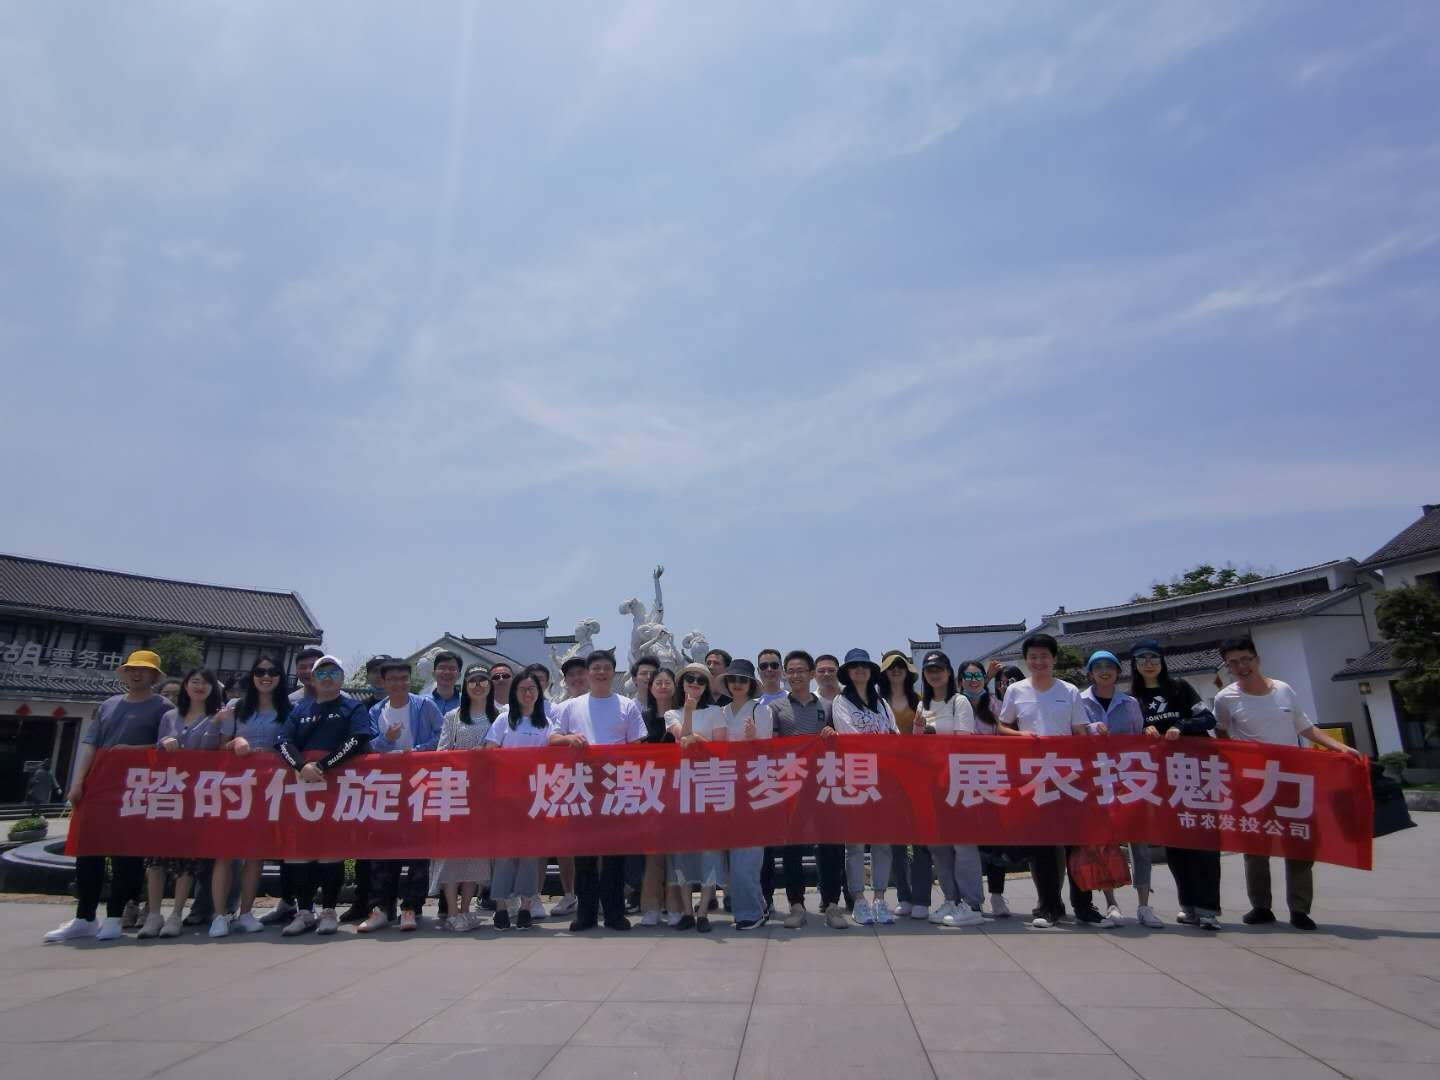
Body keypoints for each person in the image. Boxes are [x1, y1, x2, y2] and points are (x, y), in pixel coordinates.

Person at [1214, 636, 1364, 931]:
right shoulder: (1225, 699)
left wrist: (1340, 748)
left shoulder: (1283, 690)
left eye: (1246, 659)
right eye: (1234, 662)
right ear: (1227, 667)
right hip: (1253, 783)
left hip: (1292, 778)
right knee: (1256, 847)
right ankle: (1261, 906)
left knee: (1299, 843)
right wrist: (1235, 760)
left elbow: (1305, 727)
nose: (1242, 666)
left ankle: (1300, 908)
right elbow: (1221, 733)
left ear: (1257, 659)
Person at [46, 650, 172, 943]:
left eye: (143, 670)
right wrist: (78, 782)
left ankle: (115, 916)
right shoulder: (108, 705)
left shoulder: (163, 707)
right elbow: (91, 744)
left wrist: (132, 750)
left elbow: (166, 747)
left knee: (126, 853)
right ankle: (85, 917)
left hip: (134, 787)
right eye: (132, 669)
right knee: (88, 851)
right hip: (100, 784)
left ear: (154, 676)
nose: (136, 674)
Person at [998, 633, 1096, 928]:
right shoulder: (1015, 690)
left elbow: (1080, 731)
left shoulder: (1069, 691)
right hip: (1034, 776)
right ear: (1026, 660)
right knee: (1042, 846)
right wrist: (1020, 735)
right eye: (1033, 657)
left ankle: (1084, 906)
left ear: (1054, 659)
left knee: (1076, 844)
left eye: (1044, 656)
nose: (1038, 661)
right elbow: (1002, 727)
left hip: (1068, 775)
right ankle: (1048, 906)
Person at [276, 655, 373, 937]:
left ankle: (329, 910)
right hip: (301, 789)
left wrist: (322, 765)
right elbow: (283, 741)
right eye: (321, 673)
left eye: (333, 673)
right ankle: (305, 911)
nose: (327, 678)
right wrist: (301, 767)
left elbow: (357, 739)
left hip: (336, 788)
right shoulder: (300, 710)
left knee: (331, 852)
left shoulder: (352, 707)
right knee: (299, 852)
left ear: (342, 678)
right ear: (313, 679)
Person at [1128, 639, 1221, 931]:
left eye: (1153, 658)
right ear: (1134, 665)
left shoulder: (1180, 688)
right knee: (1176, 843)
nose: (1148, 663)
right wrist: (1143, 729)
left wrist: (1181, 726)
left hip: (1197, 774)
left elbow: (1207, 718)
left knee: (1204, 840)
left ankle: (1208, 908)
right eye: (1142, 659)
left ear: (1162, 661)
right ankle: (1189, 905)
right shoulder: (1133, 699)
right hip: (1163, 779)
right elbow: (1129, 735)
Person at [549, 649, 645, 931]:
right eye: (596, 668)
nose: (601, 672)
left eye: (606, 668)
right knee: (584, 855)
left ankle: (614, 914)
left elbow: (637, 745)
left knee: (614, 855)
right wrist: (568, 739)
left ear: (613, 673)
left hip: (615, 786)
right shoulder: (570, 706)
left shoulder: (627, 705)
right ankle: (586, 915)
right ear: (588, 673)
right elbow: (552, 738)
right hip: (582, 786)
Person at [134, 668, 224, 938]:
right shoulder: (169, 717)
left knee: (186, 857)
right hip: (167, 789)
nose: (199, 686)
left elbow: (212, 751)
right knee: (156, 856)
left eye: (205, 683)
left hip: (195, 793)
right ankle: (153, 914)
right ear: (186, 685)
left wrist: (214, 725)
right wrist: (165, 743)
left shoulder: (217, 717)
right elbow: (157, 750)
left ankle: (175, 913)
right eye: (194, 681)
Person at [209, 656, 292, 937]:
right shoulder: (236, 707)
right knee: (225, 852)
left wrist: (271, 752)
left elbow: (291, 747)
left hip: (268, 788)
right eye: (260, 671)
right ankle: (220, 915)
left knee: (255, 853)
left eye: (272, 672)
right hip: (234, 787)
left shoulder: (289, 710)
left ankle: (245, 912)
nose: (266, 676)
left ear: (281, 677)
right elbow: (219, 745)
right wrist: (236, 742)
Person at [1078, 650, 1161, 929]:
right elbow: (1074, 732)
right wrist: (1091, 728)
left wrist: (1148, 733)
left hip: (1129, 779)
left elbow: (1138, 736)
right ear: (1090, 673)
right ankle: (1111, 903)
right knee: (1104, 842)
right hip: (1097, 779)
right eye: (1098, 667)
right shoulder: (1080, 701)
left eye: (1110, 667)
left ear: (1117, 672)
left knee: (1139, 843)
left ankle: (1144, 904)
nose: (1104, 671)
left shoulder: (1130, 703)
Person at [360, 658, 443, 932]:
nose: (399, 683)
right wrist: (388, 739)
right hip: (386, 787)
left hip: (418, 785)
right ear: (383, 682)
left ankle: (411, 907)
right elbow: (369, 746)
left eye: (403, 678)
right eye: (392, 679)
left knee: (418, 849)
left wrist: (416, 752)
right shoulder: (376, 711)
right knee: (382, 849)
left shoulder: (424, 705)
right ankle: (380, 908)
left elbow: (441, 736)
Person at [768, 650, 847, 930]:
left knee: (831, 843)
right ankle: (796, 904)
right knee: (791, 846)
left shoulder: (827, 707)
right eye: (790, 671)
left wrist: (831, 735)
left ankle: (832, 904)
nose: (796, 675)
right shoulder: (776, 708)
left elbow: (838, 742)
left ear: (811, 674)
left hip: (822, 783)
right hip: (791, 785)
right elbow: (771, 745)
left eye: (801, 670)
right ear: (785, 675)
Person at [915, 652, 986, 928]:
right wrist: (919, 734)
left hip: (958, 781)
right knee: (938, 846)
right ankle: (951, 899)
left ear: (948, 672)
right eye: (929, 669)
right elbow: (917, 746)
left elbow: (964, 743)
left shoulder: (960, 702)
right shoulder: (922, 705)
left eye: (939, 669)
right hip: (931, 784)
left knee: (963, 843)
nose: (935, 674)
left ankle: (972, 903)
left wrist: (933, 737)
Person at [426, 663, 497, 930]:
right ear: (465, 686)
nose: (478, 685)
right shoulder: (453, 717)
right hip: (455, 792)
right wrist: (469, 757)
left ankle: (467, 909)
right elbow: (442, 752)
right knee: (451, 853)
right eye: (472, 681)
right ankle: (452, 911)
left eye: (483, 680)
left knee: (475, 855)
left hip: (485, 794)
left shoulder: (500, 715)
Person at [831, 648, 899, 926]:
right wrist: (882, 743)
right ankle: (859, 898)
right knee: (855, 844)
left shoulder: (882, 703)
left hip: (884, 778)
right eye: (854, 666)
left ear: (871, 672)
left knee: (883, 842)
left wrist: (886, 743)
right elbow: (850, 736)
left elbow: (895, 734)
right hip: (856, 777)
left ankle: (880, 897)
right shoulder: (841, 701)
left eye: (864, 666)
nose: (860, 670)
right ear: (847, 672)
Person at [484, 671, 553, 929]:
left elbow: (553, 747)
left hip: (535, 796)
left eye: (532, 688)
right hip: (506, 796)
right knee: (504, 853)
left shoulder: (545, 722)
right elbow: (490, 752)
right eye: (522, 688)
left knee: (529, 853)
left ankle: (526, 906)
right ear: (515, 693)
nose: (527, 693)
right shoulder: (504, 720)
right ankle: (501, 906)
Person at [667, 663, 727, 932]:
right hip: (681, 785)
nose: (695, 684)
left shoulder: (716, 712)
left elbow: (720, 749)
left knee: (709, 849)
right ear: (682, 683)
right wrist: (689, 713)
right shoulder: (672, 713)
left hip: (709, 783)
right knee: (681, 849)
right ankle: (687, 911)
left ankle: (703, 911)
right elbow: (683, 739)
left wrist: (699, 739)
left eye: (700, 680)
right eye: (690, 679)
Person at [958, 659, 1019, 918]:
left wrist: (1024, 736)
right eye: (968, 677)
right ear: (960, 681)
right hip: (961, 781)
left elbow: (1002, 730)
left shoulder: (993, 704)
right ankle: (970, 898)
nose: (973, 681)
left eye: (978, 676)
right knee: (967, 843)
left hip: (992, 779)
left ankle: (996, 894)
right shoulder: (954, 704)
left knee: (995, 841)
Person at [879, 650, 930, 919]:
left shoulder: (919, 701)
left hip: (917, 775)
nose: (896, 670)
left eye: (900, 666)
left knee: (921, 839)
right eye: (891, 667)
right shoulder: (877, 702)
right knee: (896, 840)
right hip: (888, 777)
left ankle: (922, 898)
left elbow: (928, 738)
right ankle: (903, 895)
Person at [638, 667, 686, 927]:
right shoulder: (642, 717)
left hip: (679, 789)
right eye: (658, 682)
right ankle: (651, 906)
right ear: (651, 687)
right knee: (653, 853)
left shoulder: (681, 715)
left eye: (668, 682)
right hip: (650, 790)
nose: (663, 686)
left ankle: (675, 905)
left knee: (675, 853)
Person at [548, 655, 590, 917]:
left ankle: (596, 895)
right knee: (566, 843)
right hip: (567, 780)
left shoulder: (605, 702)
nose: (576, 679)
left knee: (597, 842)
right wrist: (567, 739)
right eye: (571, 675)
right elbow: (551, 739)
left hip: (600, 780)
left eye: (580, 673)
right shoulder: (560, 708)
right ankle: (568, 894)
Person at [428, 650, 464, 718]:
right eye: (442, 668)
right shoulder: (422, 702)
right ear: (434, 673)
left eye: (452, 668)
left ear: (459, 675)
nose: (447, 672)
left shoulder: (467, 703)